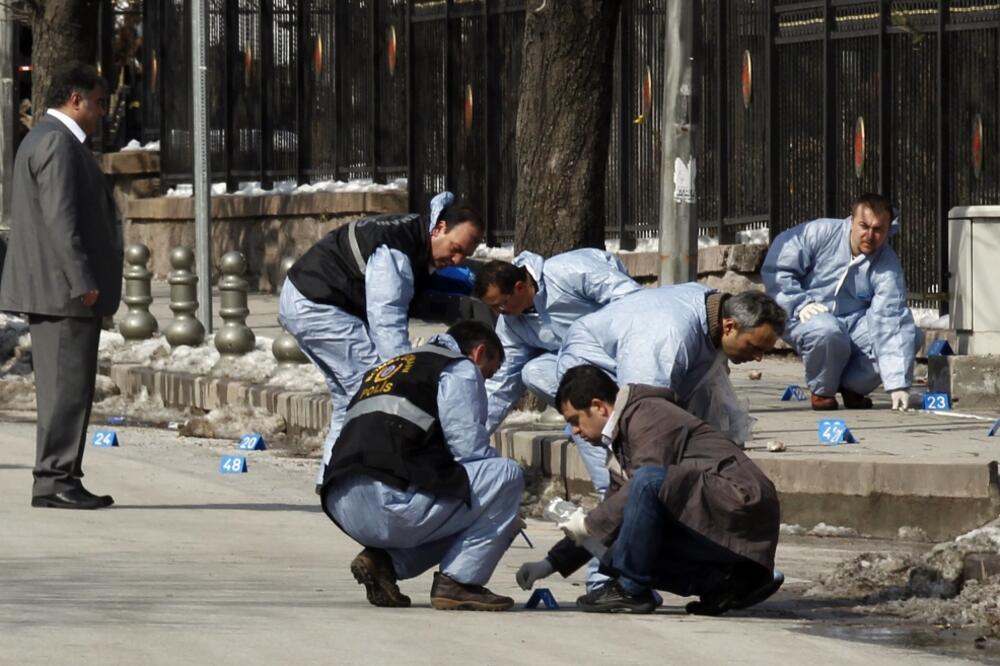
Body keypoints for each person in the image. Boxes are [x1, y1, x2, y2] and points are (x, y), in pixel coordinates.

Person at [516, 365, 783, 614]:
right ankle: (724, 584)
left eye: (575, 420)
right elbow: (614, 512)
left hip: (741, 503)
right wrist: (549, 564)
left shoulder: (648, 416)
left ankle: (632, 590)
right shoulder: (623, 439)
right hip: (717, 512)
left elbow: (645, 485)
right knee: (612, 541)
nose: (575, 431)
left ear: (598, 407)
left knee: (643, 485)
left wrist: (586, 524)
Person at [279, 192, 484, 485]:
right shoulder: (396, 252)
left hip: (307, 297)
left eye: (464, 255)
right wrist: (405, 377)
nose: (456, 260)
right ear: (438, 228)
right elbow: (386, 320)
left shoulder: (414, 237)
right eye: (454, 249)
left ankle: (333, 477)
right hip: (318, 304)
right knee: (373, 388)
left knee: (349, 394)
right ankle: (367, 477)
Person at [321, 320, 524, 611]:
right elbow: (468, 446)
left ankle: (384, 563)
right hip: (390, 502)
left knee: (466, 505)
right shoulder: (460, 368)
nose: (484, 381)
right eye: (488, 374)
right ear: (479, 353)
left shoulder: (392, 367)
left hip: (342, 503)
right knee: (506, 476)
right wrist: (504, 506)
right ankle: (459, 583)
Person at [474, 248, 640, 592]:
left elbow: (633, 304)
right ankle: (605, 581)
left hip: (628, 370)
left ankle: (625, 576)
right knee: (535, 370)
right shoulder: (513, 325)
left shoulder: (570, 272)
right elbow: (503, 385)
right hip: (589, 400)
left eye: (502, 303)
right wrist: (469, 439)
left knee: (635, 486)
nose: (500, 313)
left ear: (521, 285)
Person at [0, 63, 122, 509]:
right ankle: (54, 479)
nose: (102, 112)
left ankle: (61, 475)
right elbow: (60, 219)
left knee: (67, 388)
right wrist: (82, 278)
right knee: (66, 389)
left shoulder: (48, 138)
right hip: (62, 292)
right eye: (99, 102)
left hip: (57, 289)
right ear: (76, 99)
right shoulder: (55, 141)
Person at [555, 283, 787, 444]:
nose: (758, 358)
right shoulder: (670, 339)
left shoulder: (712, 311)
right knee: (620, 444)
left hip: (643, 360)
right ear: (729, 326)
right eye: (754, 347)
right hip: (593, 362)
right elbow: (643, 412)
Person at [761, 193, 922, 411]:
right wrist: (799, 303)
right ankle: (822, 391)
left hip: (854, 323)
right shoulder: (820, 232)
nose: (870, 235)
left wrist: (898, 383)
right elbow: (779, 268)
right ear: (852, 221)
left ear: (888, 230)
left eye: (878, 230)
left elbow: (890, 318)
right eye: (864, 226)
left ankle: (853, 387)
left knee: (910, 334)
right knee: (827, 331)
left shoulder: (887, 264)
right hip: (805, 314)